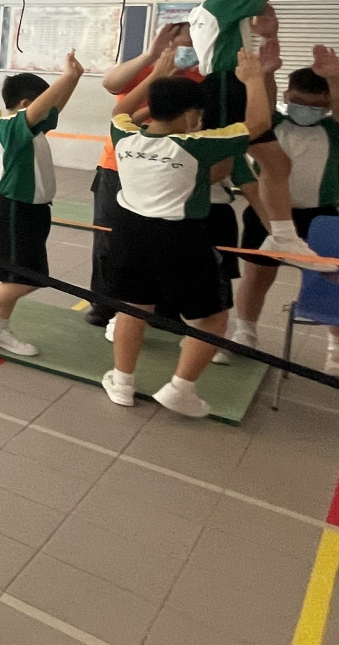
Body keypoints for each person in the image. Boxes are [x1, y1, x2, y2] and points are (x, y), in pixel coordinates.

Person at [103, 45, 271, 418]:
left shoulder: (124, 135)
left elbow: (119, 111)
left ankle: (122, 383)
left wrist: (156, 75)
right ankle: (181, 389)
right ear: (190, 114)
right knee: (213, 319)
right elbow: (258, 124)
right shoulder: (196, 145)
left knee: (133, 308)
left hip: (128, 232)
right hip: (178, 237)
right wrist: (254, 80)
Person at [186, 0, 330, 264]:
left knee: (272, 163)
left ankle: (283, 238)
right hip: (226, 85)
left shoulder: (217, 7)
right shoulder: (223, 3)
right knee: (223, 165)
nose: (265, 5)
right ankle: (160, 203)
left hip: (235, 83)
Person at [231, 45, 339, 373]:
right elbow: (261, 102)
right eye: (299, 101)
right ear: (287, 96)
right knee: (257, 276)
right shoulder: (272, 124)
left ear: (327, 104)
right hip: (267, 213)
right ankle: (245, 332)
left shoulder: (335, 132)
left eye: (316, 104)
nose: (306, 108)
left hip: (319, 216)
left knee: (327, 278)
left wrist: (336, 77)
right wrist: (265, 73)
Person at [0, 52, 83, 357]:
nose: (46, 109)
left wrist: (74, 79)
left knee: (14, 277)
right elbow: (44, 106)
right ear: (25, 104)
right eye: (39, 104)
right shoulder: (9, 126)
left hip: (35, 209)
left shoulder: (31, 128)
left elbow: (54, 106)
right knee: (30, 278)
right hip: (14, 209)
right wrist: (65, 76)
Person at [83, 22, 197, 327]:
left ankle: (164, 307)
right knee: (109, 238)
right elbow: (111, 84)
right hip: (118, 167)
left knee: (165, 240)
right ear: (169, 44)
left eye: (196, 45)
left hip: (170, 170)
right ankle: (105, 303)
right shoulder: (144, 69)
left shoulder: (200, 78)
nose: (190, 51)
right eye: (185, 44)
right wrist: (152, 57)